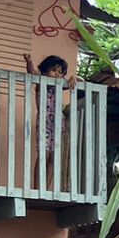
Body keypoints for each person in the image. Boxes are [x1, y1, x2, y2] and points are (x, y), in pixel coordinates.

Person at [24, 51, 78, 190]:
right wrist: (29, 61)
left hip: (58, 125)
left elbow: (79, 81)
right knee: (44, 154)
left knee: (54, 157)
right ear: (45, 70)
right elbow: (32, 72)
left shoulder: (59, 86)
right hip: (44, 124)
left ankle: (46, 189)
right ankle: (37, 188)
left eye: (60, 72)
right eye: (53, 70)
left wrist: (73, 77)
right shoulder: (40, 83)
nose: (57, 74)